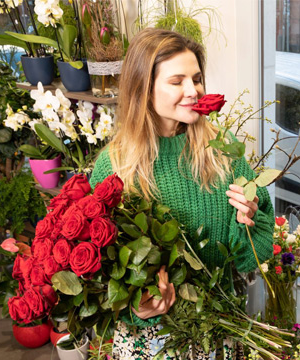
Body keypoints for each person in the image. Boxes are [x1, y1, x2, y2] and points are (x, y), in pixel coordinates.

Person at [89, 28, 275, 360]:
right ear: (144, 90)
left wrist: (247, 220)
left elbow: (254, 257)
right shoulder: (115, 167)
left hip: (217, 332)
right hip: (149, 341)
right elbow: (98, 274)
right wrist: (135, 306)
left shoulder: (223, 152)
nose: (193, 90)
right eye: (177, 81)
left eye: (197, 78)